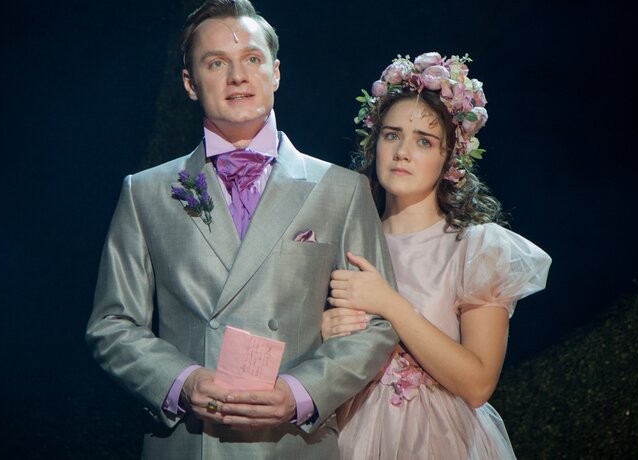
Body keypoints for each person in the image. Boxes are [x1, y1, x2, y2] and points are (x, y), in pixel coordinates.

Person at [85, 1, 397, 458]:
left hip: (293, 441)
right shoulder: (146, 192)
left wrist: (299, 392)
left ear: (275, 73)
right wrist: (183, 381)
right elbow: (112, 324)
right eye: (216, 63)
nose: (237, 76)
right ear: (190, 83)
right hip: (193, 441)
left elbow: (377, 325)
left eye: (252, 58)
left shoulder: (341, 189)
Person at [321, 52, 552, 459]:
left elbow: (478, 384)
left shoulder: (475, 248)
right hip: (351, 435)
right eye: (392, 136)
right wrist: (323, 336)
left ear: (449, 158)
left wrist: (390, 304)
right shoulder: (344, 242)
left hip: (439, 440)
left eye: (423, 141)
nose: (402, 152)